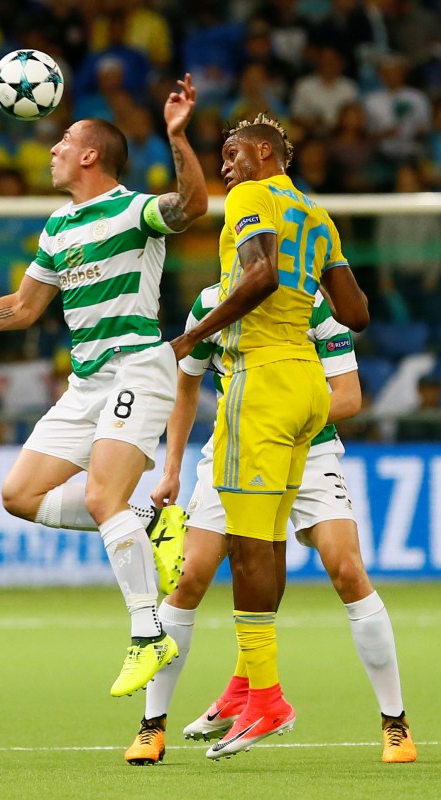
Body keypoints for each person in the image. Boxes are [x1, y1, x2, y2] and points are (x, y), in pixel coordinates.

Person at [0, 74, 208, 699]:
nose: (54, 148)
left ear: (91, 154)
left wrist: (176, 136)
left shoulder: (134, 210)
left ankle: (148, 633)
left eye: (64, 140)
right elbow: (20, 309)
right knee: (19, 494)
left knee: (101, 496)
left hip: (137, 368)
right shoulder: (58, 227)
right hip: (86, 383)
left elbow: (192, 206)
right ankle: (149, 521)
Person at [125, 285, 416, 766]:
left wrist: (276, 416)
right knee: (189, 577)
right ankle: (152, 726)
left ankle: (395, 722)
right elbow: (186, 386)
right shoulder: (210, 305)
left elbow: (348, 397)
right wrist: (171, 467)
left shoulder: (312, 305)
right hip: (232, 450)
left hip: (310, 450)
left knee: (348, 571)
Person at [169, 113, 369, 760]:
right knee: (269, 538)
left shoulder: (251, 198)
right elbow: (356, 312)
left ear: (263, 153)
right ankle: (246, 688)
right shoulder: (316, 213)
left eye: (232, 154)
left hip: (259, 380)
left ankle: (267, 698)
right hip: (307, 386)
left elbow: (260, 276)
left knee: (247, 546)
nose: (225, 167)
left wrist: (194, 336)